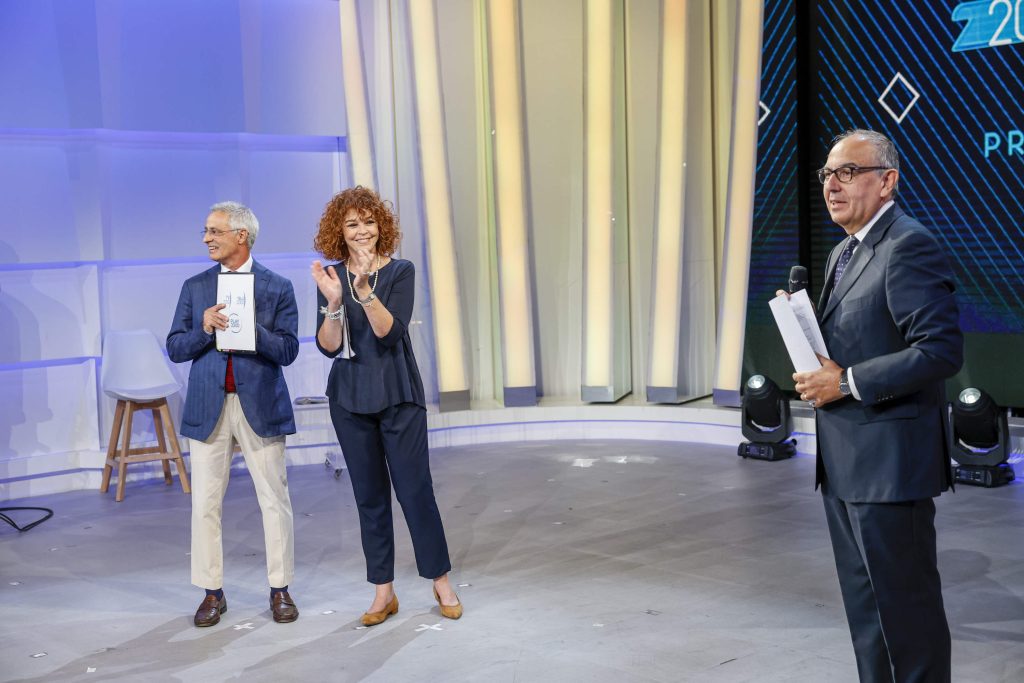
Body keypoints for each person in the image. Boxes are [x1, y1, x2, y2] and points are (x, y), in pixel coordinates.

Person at [791, 130, 962, 682]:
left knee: (906, 620)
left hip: (890, 467)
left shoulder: (908, 245)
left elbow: (939, 351)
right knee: (869, 620)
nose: (831, 186)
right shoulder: (842, 252)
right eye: (827, 174)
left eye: (847, 172)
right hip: (845, 463)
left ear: (887, 181)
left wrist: (847, 382)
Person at [311, 186, 462, 626]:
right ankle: (383, 592)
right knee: (369, 497)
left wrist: (363, 291)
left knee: (415, 492)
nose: (362, 231)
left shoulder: (400, 271)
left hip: (398, 393)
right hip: (349, 398)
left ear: (382, 226)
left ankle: (441, 581)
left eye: (369, 222)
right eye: (352, 224)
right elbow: (327, 346)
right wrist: (334, 301)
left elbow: (389, 333)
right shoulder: (330, 277)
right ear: (339, 231)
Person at [167, 201, 300, 627]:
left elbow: (288, 350)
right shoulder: (195, 287)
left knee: (274, 499)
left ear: (241, 235)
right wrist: (203, 328)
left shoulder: (277, 286)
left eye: (215, 231)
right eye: (206, 231)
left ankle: (280, 588)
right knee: (205, 502)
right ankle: (211, 592)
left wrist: (251, 329)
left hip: (260, 404)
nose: (206, 238)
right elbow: (175, 347)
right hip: (208, 405)